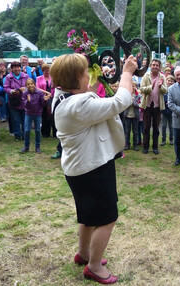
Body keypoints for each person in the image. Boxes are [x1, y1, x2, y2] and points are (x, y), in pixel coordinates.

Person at [50, 53, 137, 284]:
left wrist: (100, 81)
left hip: (78, 169)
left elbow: (90, 96)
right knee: (107, 218)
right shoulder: (79, 105)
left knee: (87, 215)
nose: (89, 74)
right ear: (79, 76)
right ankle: (94, 266)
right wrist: (127, 72)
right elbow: (120, 102)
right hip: (92, 168)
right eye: (86, 71)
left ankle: (84, 254)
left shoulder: (62, 97)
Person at [139, 59, 167, 155]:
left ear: (159, 67)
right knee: (146, 127)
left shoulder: (162, 76)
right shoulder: (146, 76)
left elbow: (165, 90)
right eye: (153, 65)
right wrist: (151, 87)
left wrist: (160, 87)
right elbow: (141, 88)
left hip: (157, 106)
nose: (155, 66)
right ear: (150, 66)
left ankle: (155, 147)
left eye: (157, 65)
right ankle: (146, 147)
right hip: (147, 105)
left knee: (156, 127)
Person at [21, 78, 51, 154]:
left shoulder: (39, 92)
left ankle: (37, 147)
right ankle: (26, 146)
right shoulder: (25, 93)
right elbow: (24, 105)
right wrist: (28, 101)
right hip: (28, 113)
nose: (30, 85)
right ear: (26, 86)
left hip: (37, 114)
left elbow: (42, 104)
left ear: (34, 84)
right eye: (28, 84)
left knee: (37, 130)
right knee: (27, 130)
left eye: (31, 84)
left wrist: (45, 100)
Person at [4, 61, 29, 141]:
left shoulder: (26, 76)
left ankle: (25, 135)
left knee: (25, 119)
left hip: (24, 101)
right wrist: (12, 91)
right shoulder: (8, 77)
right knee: (15, 120)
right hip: (14, 101)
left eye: (18, 67)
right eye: (15, 67)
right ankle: (17, 135)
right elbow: (6, 88)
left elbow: (30, 85)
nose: (17, 69)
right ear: (12, 69)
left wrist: (25, 89)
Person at [168, 66, 180, 165]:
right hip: (177, 117)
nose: (179, 77)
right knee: (178, 140)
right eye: (177, 75)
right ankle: (178, 159)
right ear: (174, 76)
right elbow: (170, 104)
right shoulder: (171, 89)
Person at [36, 64, 55, 138]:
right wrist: (46, 93)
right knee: (44, 116)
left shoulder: (54, 78)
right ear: (42, 71)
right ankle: (45, 133)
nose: (47, 71)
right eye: (45, 70)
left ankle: (55, 132)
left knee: (53, 116)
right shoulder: (39, 78)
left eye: (48, 70)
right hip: (43, 98)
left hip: (53, 98)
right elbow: (37, 88)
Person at [123, 80, 141, 151]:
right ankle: (127, 144)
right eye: (131, 86)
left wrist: (133, 103)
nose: (132, 87)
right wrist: (128, 103)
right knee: (127, 131)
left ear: (135, 87)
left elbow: (139, 104)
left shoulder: (138, 95)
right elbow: (123, 104)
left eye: (133, 86)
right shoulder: (126, 95)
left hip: (135, 116)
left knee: (135, 131)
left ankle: (135, 145)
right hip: (127, 115)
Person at [161, 74, 175, 146]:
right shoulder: (164, 90)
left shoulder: (174, 90)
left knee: (171, 125)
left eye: (171, 81)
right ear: (166, 81)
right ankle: (163, 139)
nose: (170, 82)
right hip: (164, 110)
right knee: (163, 126)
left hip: (171, 111)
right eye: (168, 81)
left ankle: (171, 139)